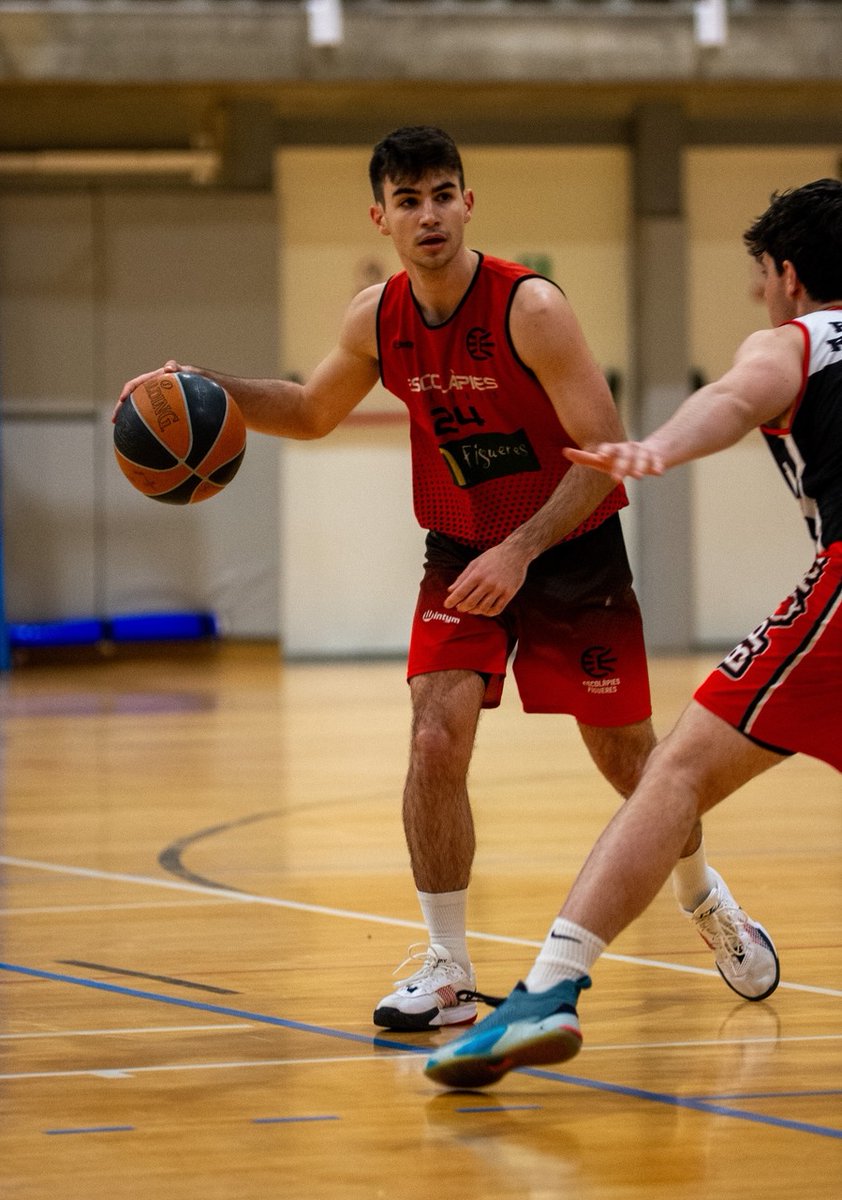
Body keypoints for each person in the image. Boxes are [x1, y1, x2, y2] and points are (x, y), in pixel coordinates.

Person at [117, 125, 775, 1031]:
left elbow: (603, 455)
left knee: (632, 763)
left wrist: (523, 552)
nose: (428, 214)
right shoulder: (374, 318)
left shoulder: (531, 309)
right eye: (409, 199)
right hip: (461, 548)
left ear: (468, 203)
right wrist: (205, 388)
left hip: (569, 548)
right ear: (380, 216)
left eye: (442, 194)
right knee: (435, 736)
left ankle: (705, 899)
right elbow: (310, 412)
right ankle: (449, 967)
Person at [424, 176, 842, 1089]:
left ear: (788, 273)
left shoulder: (799, 338)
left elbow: (737, 396)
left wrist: (659, 447)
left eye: (761, 276)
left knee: (675, 773)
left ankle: (547, 991)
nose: (759, 293)